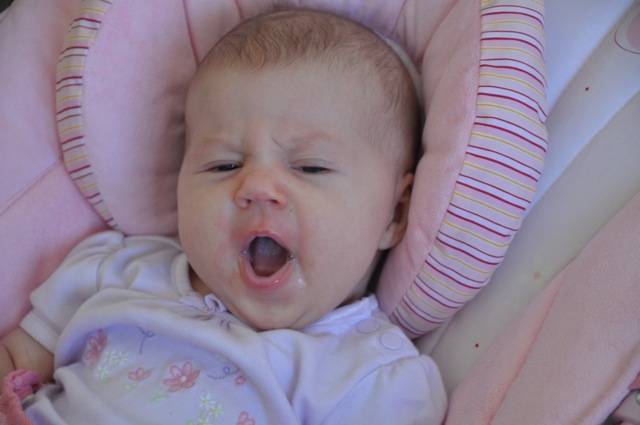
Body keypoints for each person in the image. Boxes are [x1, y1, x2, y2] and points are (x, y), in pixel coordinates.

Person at [0, 7, 446, 424]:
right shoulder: (116, 269)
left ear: (395, 212)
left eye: (310, 167)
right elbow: (19, 359)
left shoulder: (372, 379)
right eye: (224, 165)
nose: (255, 187)